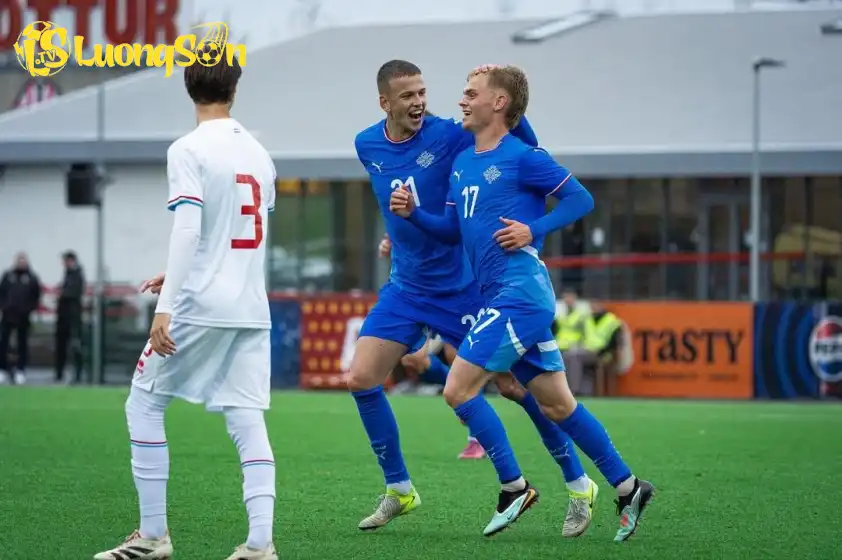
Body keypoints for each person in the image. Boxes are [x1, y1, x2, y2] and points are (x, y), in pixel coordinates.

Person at [389, 64, 655, 542]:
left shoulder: (523, 157)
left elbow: (581, 199)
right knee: (558, 406)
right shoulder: (463, 162)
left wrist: (536, 230)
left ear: (500, 104)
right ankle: (629, 486)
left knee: (457, 389)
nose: (462, 101)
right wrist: (415, 216)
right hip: (499, 295)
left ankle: (514, 487)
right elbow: (453, 229)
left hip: (520, 295)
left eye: (472, 93)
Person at [351, 59, 595, 538]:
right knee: (361, 377)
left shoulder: (450, 135)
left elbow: (520, 144)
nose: (419, 102)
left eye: (422, 92)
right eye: (407, 96)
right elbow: (393, 198)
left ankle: (577, 481)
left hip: (461, 287)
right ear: (385, 102)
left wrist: (511, 96)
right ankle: (400, 488)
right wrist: (394, 233)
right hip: (405, 286)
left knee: (518, 387)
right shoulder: (366, 144)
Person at [95, 45, 278, 560]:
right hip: (249, 305)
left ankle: (153, 536)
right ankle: (260, 543)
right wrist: (179, 273)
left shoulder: (188, 148)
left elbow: (190, 226)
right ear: (235, 88)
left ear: (188, 86)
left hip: (201, 304)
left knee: (144, 402)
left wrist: (166, 306)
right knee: (247, 418)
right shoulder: (260, 155)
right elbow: (237, 232)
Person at [0, 252, 42, 385]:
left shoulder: (32, 278)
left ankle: (20, 371)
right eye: (19, 260)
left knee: (22, 344)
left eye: (23, 261)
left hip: (23, 317)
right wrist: (4, 307)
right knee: (3, 343)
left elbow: (36, 295)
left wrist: (29, 309)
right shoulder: (8, 276)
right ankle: (3, 370)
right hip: (7, 315)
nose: (21, 263)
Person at [55, 250, 85, 384]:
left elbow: (73, 293)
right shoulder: (68, 274)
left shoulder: (77, 274)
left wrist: (62, 294)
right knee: (61, 346)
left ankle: (77, 374)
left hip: (73, 318)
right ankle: (60, 374)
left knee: (75, 346)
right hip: (64, 317)